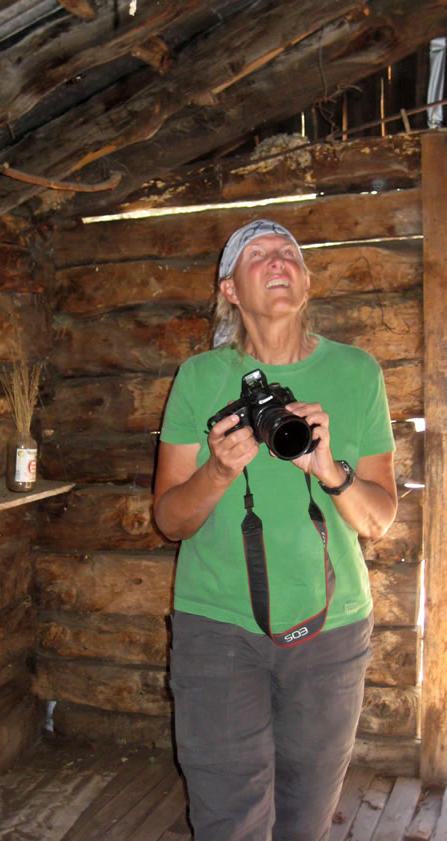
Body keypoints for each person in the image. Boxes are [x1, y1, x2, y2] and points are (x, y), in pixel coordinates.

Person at [153, 219, 398, 841]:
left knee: (305, 818)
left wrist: (330, 470)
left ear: (308, 282)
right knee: (227, 819)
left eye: (288, 253)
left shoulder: (358, 372)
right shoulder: (198, 377)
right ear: (230, 289)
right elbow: (169, 518)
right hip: (218, 629)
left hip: (331, 629)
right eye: (256, 255)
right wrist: (218, 470)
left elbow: (378, 519)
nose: (277, 261)